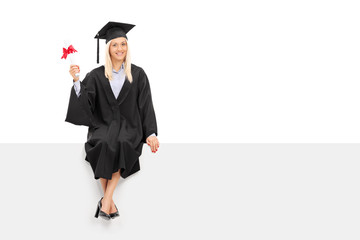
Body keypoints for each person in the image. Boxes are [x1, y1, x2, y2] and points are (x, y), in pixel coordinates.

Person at [65, 21, 159, 220]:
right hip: (103, 125)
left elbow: (146, 105)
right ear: (108, 47)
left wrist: (150, 133)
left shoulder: (138, 74)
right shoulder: (96, 75)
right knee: (102, 143)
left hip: (129, 126)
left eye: (123, 44)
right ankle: (108, 202)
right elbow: (86, 103)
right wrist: (76, 81)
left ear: (127, 46)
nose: (120, 49)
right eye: (115, 44)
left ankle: (105, 200)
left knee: (123, 142)